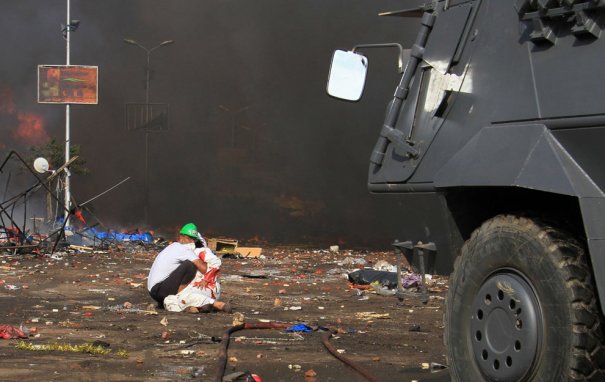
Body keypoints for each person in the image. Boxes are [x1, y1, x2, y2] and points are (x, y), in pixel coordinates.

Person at [147, 223, 230, 312]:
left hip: (153, 291)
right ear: (181, 237)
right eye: (188, 238)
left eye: (193, 239)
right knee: (190, 265)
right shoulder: (185, 250)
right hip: (160, 289)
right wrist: (206, 278)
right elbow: (204, 268)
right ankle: (180, 296)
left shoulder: (172, 247)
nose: (191, 241)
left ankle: (190, 305)